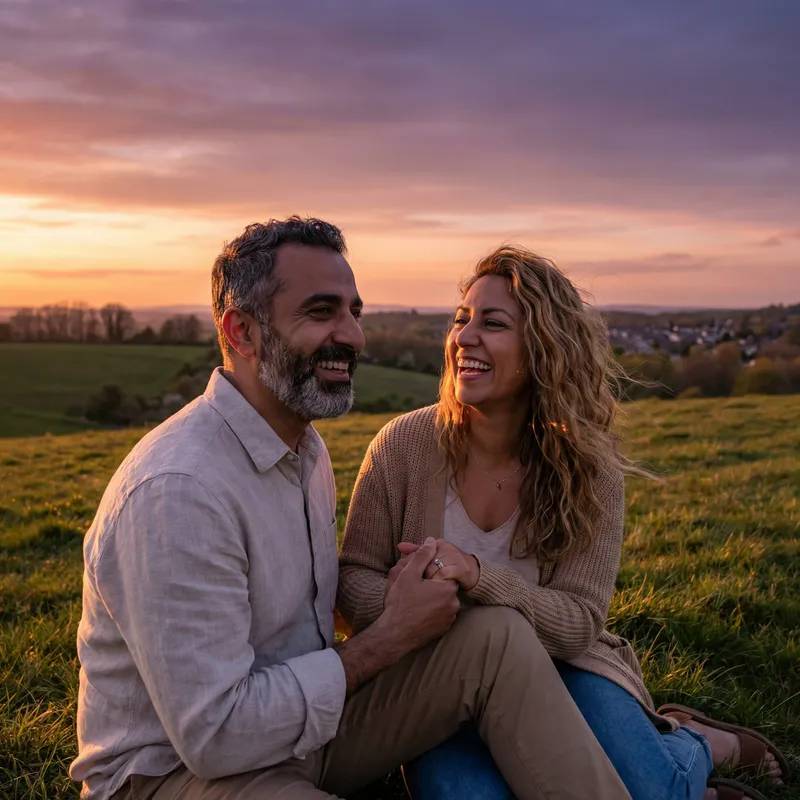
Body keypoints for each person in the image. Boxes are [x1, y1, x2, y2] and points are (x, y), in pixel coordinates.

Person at [70, 219, 633, 800]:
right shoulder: (179, 491)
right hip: (179, 776)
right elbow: (217, 738)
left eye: (353, 312)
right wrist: (389, 635)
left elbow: (575, 619)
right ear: (242, 332)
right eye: (321, 313)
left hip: (303, 734)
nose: (353, 337)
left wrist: (458, 592)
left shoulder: (303, 451)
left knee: (496, 638)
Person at [337, 245, 790, 800]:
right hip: (437, 680)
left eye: (493, 323)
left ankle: (696, 743)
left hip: (565, 668)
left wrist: (477, 575)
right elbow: (353, 574)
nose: (464, 337)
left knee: (649, 791)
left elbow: (579, 621)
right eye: (461, 319)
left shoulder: (587, 469)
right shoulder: (402, 446)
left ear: (542, 350)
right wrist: (409, 607)